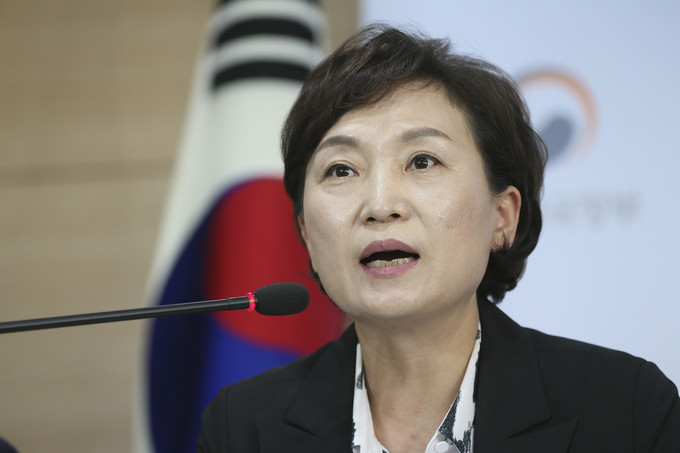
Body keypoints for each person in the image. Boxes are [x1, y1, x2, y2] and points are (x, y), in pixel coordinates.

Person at [197, 24, 680, 452]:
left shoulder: (626, 409)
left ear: (502, 216)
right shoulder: (243, 428)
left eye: (422, 161)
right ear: (305, 231)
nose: (380, 204)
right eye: (341, 169)